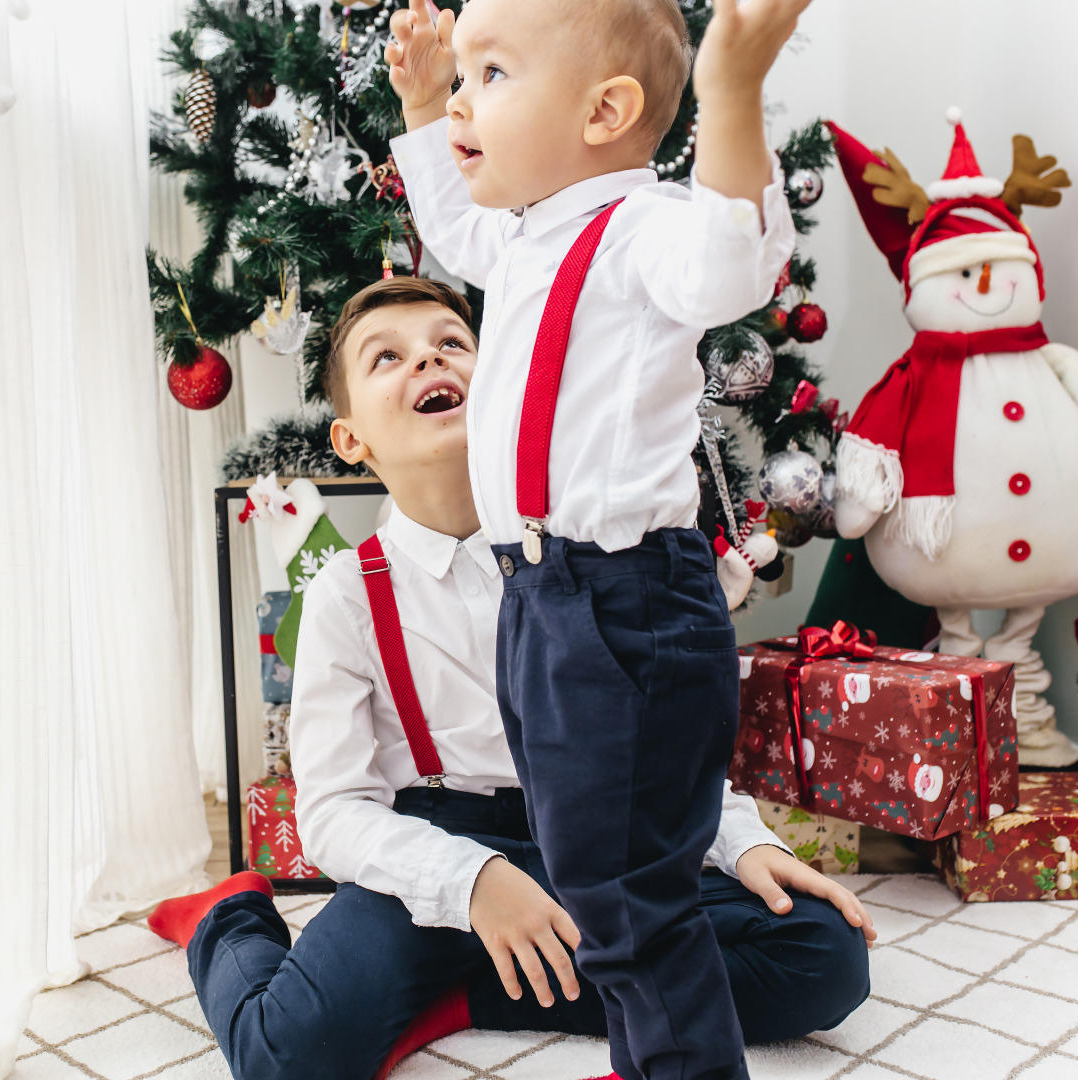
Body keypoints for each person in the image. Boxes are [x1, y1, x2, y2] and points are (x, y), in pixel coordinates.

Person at [147, 279, 871, 1080]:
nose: (427, 355)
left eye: (451, 343)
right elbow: (333, 812)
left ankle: (471, 992)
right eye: (387, 356)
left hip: (599, 836)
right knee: (290, 1056)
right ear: (351, 439)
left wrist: (742, 844)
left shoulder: (589, 549)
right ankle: (229, 916)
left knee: (821, 958)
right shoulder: (346, 593)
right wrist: (473, 883)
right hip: (436, 841)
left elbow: (660, 743)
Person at [383, 2, 810, 1076]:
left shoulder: (646, 227)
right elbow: (449, 221)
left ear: (603, 110)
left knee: (628, 894)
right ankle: (645, 1056)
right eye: (462, 76)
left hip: (623, 602)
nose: (463, 98)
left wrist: (732, 89)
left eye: (489, 73)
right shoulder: (524, 235)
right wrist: (420, 100)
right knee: (593, 870)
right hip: (540, 600)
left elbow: (730, 265)